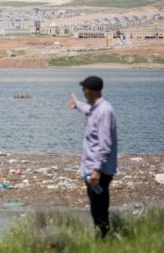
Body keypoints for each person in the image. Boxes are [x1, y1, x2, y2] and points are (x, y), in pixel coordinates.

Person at [68, 76, 117, 239]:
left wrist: (96, 170)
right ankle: (102, 235)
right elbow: (88, 110)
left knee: (99, 206)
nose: (83, 93)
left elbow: (105, 145)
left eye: (84, 90)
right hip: (92, 168)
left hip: (99, 171)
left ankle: (104, 238)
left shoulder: (104, 111)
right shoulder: (95, 108)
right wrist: (77, 105)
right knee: (95, 205)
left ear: (89, 91)